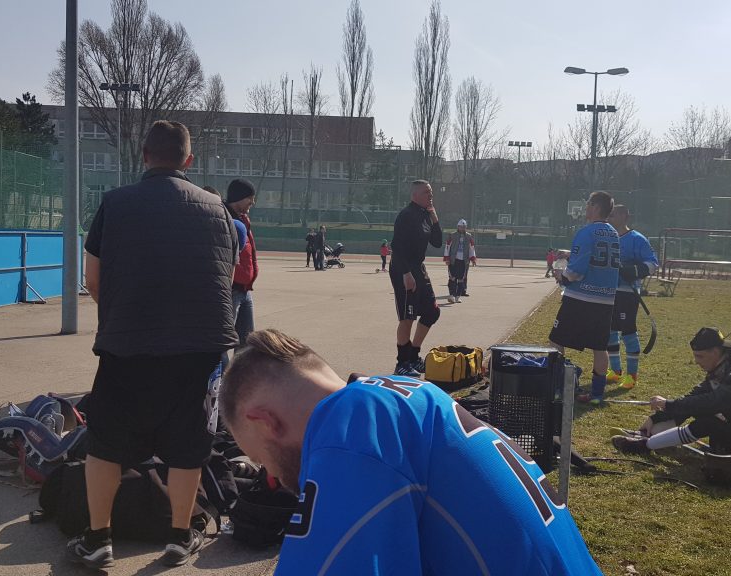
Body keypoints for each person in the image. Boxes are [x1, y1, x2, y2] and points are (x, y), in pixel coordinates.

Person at [219, 329, 604, 575]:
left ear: (264, 422)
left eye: (262, 461)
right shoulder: (407, 394)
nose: (272, 478)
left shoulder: (353, 425)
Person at [73, 120, 238, 569]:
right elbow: (224, 279)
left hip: (128, 346)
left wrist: (124, 317)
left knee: (105, 443)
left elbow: (94, 279)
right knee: (189, 446)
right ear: (189, 160)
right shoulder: (217, 209)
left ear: (145, 155)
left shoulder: (114, 203)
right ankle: (180, 537)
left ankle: (98, 538)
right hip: (199, 348)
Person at [610, 327, 731, 463]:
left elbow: (714, 402)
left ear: (715, 352)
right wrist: (657, 417)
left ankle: (645, 445)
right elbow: (694, 398)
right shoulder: (721, 366)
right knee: (696, 407)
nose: (696, 361)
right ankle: (649, 434)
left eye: (700, 356)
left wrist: (669, 404)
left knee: (708, 420)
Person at [549, 191, 620, 405]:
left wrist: (562, 276)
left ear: (596, 207)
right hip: (605, 299)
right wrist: (571, 255)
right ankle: (597, 395)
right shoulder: (613, 234)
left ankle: (558, 387)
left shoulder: (586, 232)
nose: (586, 207)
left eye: (588, 204)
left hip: (581, 298)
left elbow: (576, 271)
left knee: (556, 340)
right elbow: (597, 258)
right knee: (600, 347)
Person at [390, 180, 443, 376]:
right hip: (402, 267)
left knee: (432, 311)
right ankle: (402, 363)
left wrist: (435, 219)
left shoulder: (426, 215)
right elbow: (396, 247)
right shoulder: (407, 215)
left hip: (418, 267)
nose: (430, 196)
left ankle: (413, 356)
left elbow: (437, 242)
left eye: (431, 192)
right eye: (426, 192)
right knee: (408, 317)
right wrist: (406, 274)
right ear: (414, 196)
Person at [605, 205, 659, 390]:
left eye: (612, 215)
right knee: (610, 331)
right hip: (608, 292)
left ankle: (632, 375)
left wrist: (633, 270)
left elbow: (652, 263)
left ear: (623, 216)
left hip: (627, 293)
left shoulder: (637, 239)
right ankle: (615, 370)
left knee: (628, 331)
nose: (608, 218)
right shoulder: (607, 237)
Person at [226, 178, 258, 349]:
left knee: (247, 345)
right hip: (232, 289)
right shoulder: (224, 217)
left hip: (245, 289)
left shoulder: (244, 219)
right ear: (239, 197)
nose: (252, 203)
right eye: (250, 199)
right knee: (223, 341)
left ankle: (242, 368)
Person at [443, 219, 476, 303]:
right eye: (461, 227)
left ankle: (458, 296)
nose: (462, 228)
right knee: (452, 278)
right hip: (453, 260)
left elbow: (471, 248)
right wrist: (447, 258)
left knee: (461, 279)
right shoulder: (452, 235)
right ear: (458, 227)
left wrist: (473, 258)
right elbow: (447, 247)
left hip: (463, 261)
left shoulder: (469, 236)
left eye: (464, 227)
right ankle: (452, 295)